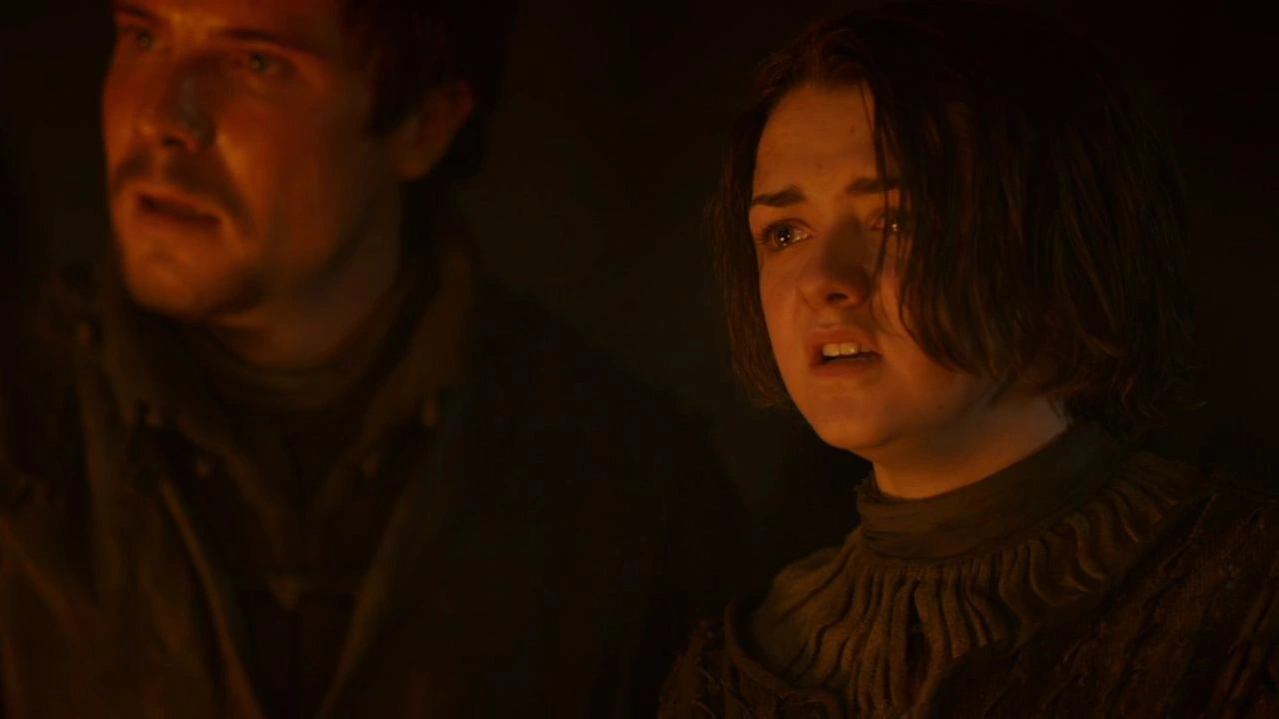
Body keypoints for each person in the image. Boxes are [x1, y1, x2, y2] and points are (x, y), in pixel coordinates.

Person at [0, 0, 743, 716]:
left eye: (257, 62)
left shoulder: (629, 493)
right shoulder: (21, 424)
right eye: (143, 37)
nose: (162, 117)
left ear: (425, 125)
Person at [659, 2, 1279, 716]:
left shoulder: (1249, 609)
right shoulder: (730, 676)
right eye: (785, 232)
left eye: (896, 219)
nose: (822, 279)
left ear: (1056, 244)